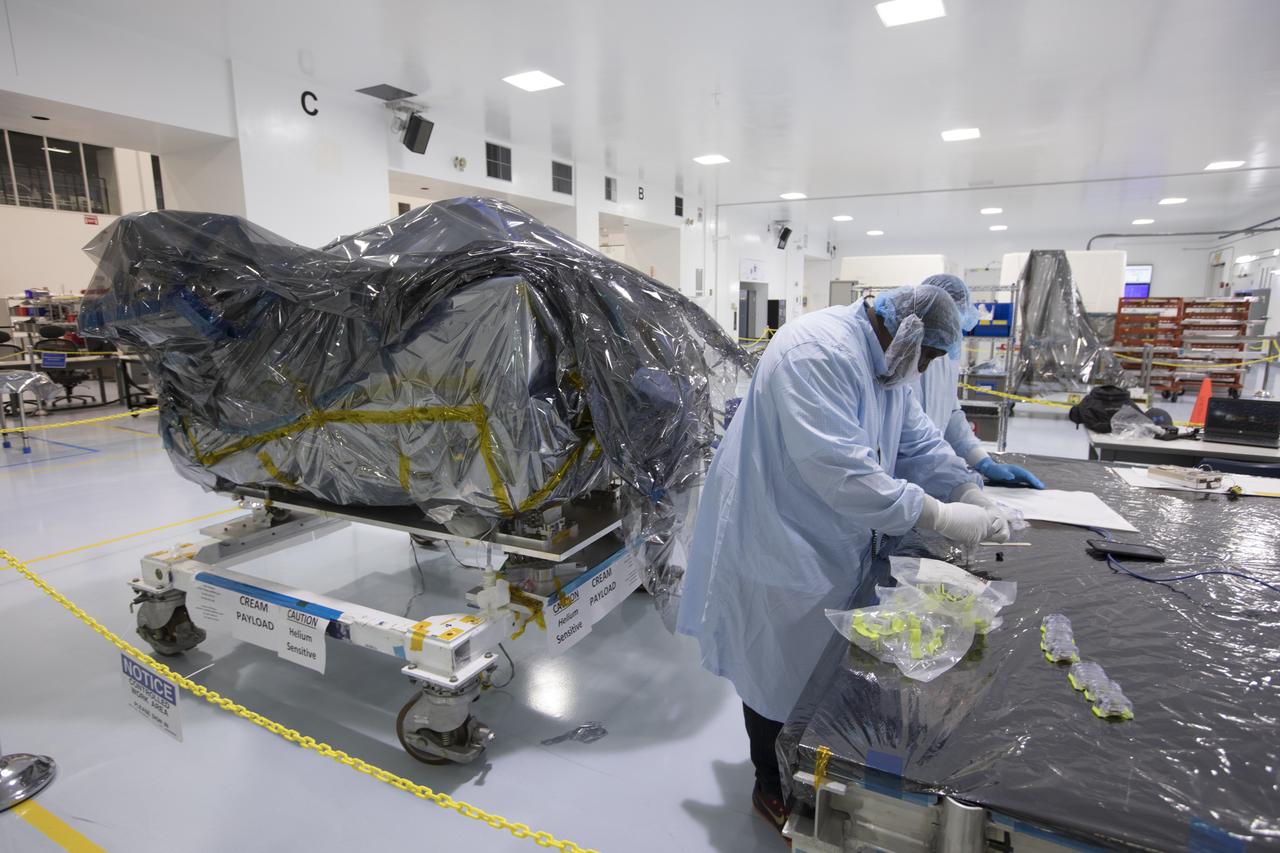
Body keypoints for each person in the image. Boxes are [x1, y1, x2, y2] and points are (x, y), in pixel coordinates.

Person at [677, 284, 1012, 833]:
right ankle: (769, 784)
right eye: (929, 356)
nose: (926, 369)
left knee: (816, 669)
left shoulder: (888, 364)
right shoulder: (815, 351)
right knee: (775, 666)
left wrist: (967, 488)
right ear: (908, 334)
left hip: (831, 533)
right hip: (780, 532)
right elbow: (843, 472)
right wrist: (940, 516)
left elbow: (918, 443)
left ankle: (810, 771)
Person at [916, 274, 1044, 489]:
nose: (949, 335)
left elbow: (951, 413)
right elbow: (909, 433)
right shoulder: (904, 359)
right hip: (903, 477)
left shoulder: (948, 351)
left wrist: (981, 460)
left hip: (928, 471)